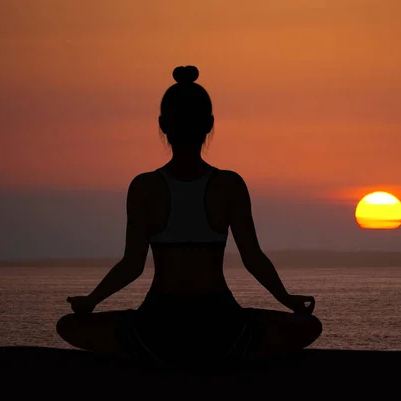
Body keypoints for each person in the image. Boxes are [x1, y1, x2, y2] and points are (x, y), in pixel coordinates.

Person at [56, 66, 322, 368]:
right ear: (209, 125)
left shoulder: (144, 188)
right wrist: (286, 300)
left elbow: (132, 265)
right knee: (308, 328)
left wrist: (92, 301)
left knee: (68, 326)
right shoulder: (229, 185)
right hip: (220, 323)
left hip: (158, 323)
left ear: (162, 125)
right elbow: (252, 258)